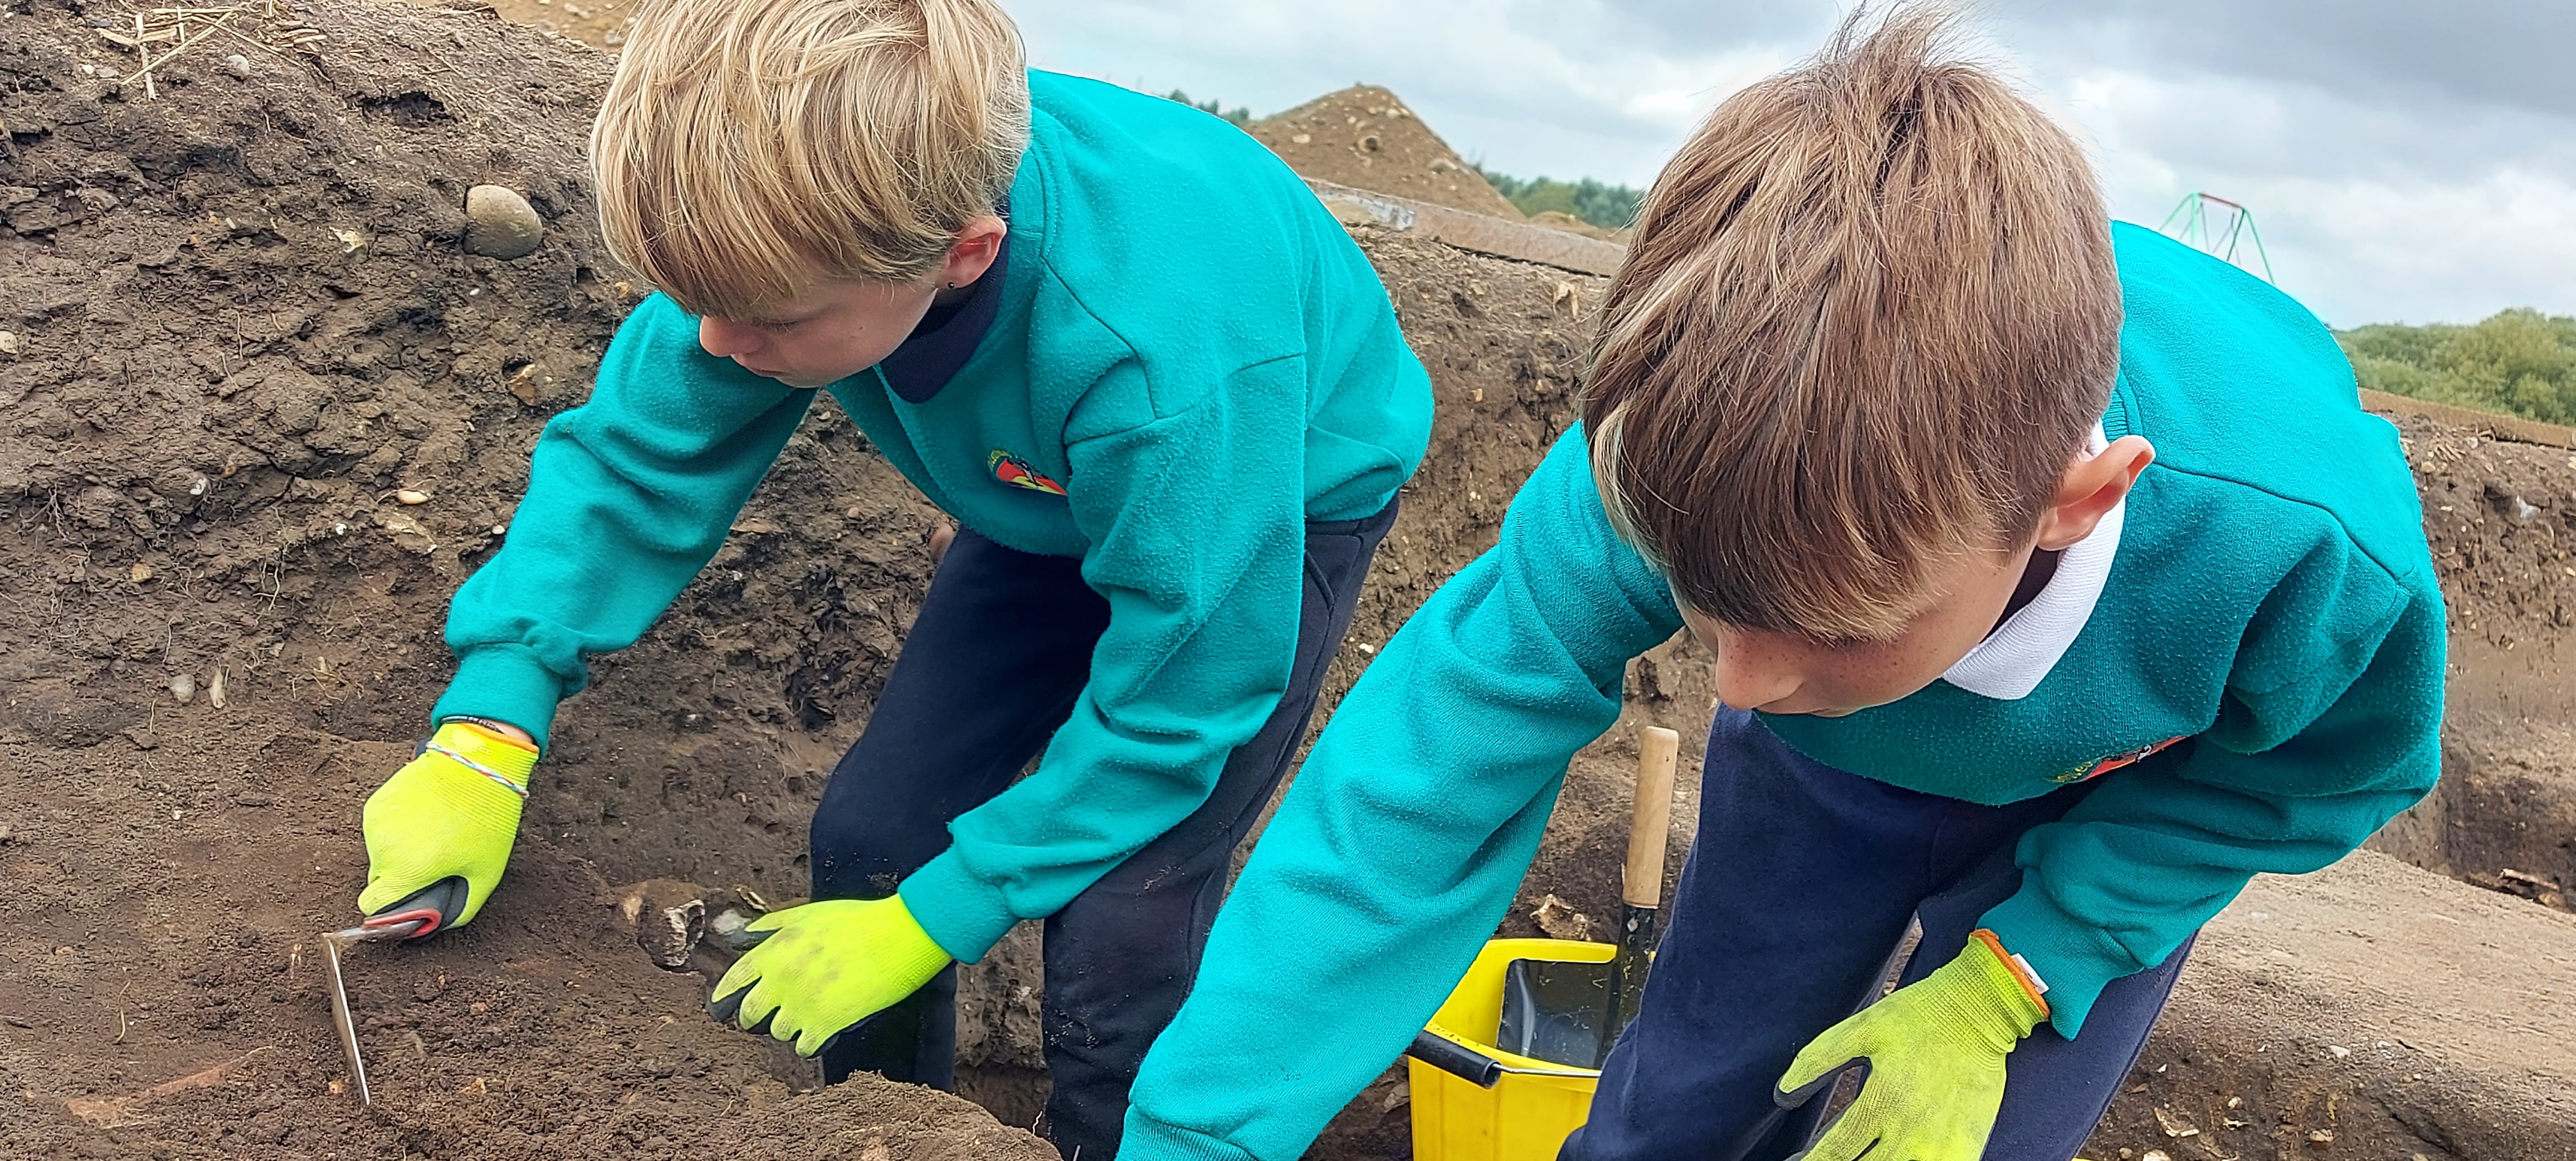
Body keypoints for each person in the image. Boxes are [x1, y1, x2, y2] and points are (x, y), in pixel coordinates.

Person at [1117, 10, 2443, 1161]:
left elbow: (2315, 775)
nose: (1737, 686)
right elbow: (1419, 781)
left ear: (2073, 499)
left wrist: (2022, 971)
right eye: (1709, 607)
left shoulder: (2299, 552)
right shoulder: (1682, 439)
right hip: (1831, 778)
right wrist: (1199, 1132)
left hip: (2116, 798)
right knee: (1679, 1103)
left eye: (1829, 625)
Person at [349, 0, 1431, 1154]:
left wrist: (939, 918)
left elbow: (1185, 699)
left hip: (1265, 499)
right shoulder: (800, 230)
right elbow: (634, 462)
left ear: (965, 253)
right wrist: (488, 728)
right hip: (1048, 486)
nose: (715, 344)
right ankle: (886, 1129)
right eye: (697, 303)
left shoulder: (1154, 357)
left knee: (1120, 920)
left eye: (765, 318)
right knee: (874, 837)